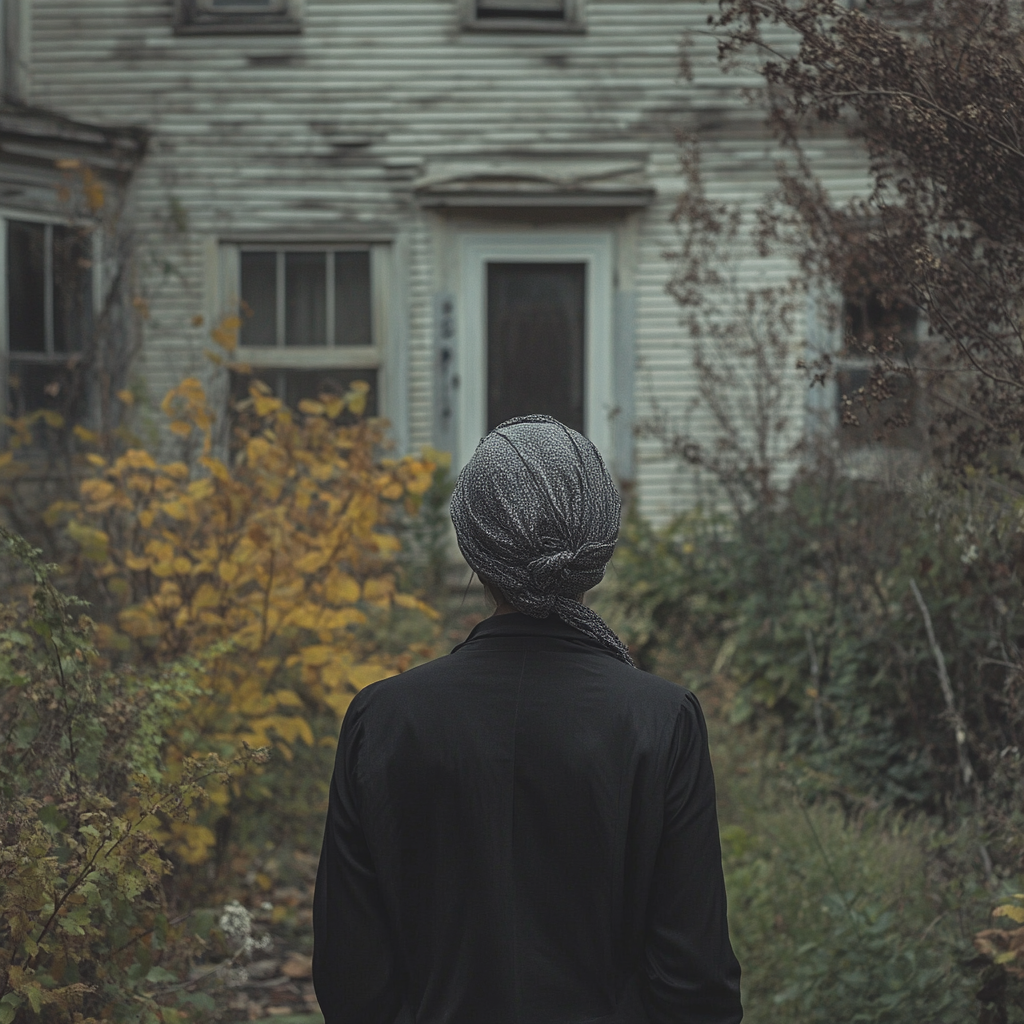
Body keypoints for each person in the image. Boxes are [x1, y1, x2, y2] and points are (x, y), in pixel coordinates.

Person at [313, 415, 742, 1024]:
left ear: (471, 546)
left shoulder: (382, 719)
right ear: (597, 550)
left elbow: (349, 973)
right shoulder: (660, 719)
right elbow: (697, 982)